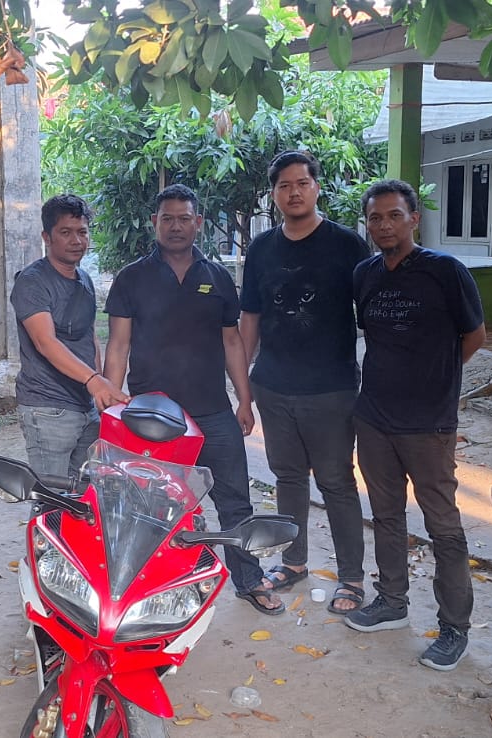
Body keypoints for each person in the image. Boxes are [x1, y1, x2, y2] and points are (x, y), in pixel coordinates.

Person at [102, 184, 284, 615]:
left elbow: (232, 342)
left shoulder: (217, 277)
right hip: (151, 416)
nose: (176, 226)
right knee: (145, 503)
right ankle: (139, 586)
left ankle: (249, 579)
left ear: (198, 223)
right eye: (167, 218)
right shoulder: (132, 277)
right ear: (154, 223)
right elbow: (118, 343)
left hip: (212, 411)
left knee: (235, 500)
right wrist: (112, 400)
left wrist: (244, 400)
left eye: (184, 218)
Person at [343, 179, 486, 672]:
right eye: (375, 218)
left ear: (414, 219)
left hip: (428, 423)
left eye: (394, 216)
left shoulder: (445, 271)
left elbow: (474, 335)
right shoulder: (365, 274)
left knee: (442, 524)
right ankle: (392, 601)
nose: (384, 225)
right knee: (386, 515)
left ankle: (454, 627)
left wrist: (437, 379)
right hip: (374, 417)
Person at [239, 150, 370, 615]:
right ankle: (293, 562)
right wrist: (244, 388)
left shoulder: (347, 245)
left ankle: (351, 577)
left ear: (317, 187)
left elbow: (370, 314)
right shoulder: (261, 249)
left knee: (336, 482)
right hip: (273, 387)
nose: (293, 193)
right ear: (273, 194)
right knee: (288, 477)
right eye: (284, 186)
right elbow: (250, 318)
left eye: (301, 183)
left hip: (331, 388)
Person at [12, 194, 130, 481]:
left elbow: (91, 339)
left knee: (84, 493)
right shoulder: (32, 281)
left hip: (86, 406)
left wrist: (100, 389)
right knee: (52, 496)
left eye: (82, 232)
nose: (76, 240)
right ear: (47, 237)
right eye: (65, 232)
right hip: (47, 406)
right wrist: (94, 380)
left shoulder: (84, 280)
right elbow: (45, 342)